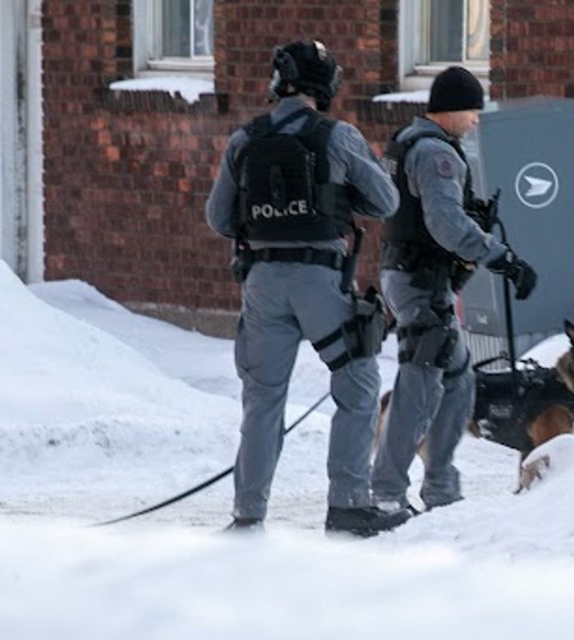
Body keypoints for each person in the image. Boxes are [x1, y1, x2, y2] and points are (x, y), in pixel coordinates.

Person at [206, 39, 412, 537]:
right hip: (320, 279)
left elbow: (218, 217)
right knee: (358, 386)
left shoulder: (245, 139)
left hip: (261, 283)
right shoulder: (337, 136)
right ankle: (347, 503)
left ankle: (247, 513)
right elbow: (385, 202)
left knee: (262, 400)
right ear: (327, 85)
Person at [372, 66, 537, 512]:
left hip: (417, 278)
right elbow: (446, 225)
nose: (475, 121)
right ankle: (387, 492)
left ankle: (441, 485)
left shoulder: (409, 141)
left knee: (459, 381)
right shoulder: (435, 153)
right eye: (472, 111)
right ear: (452, 109)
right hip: (419, 282)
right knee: (418, 387)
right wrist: (501, 257)